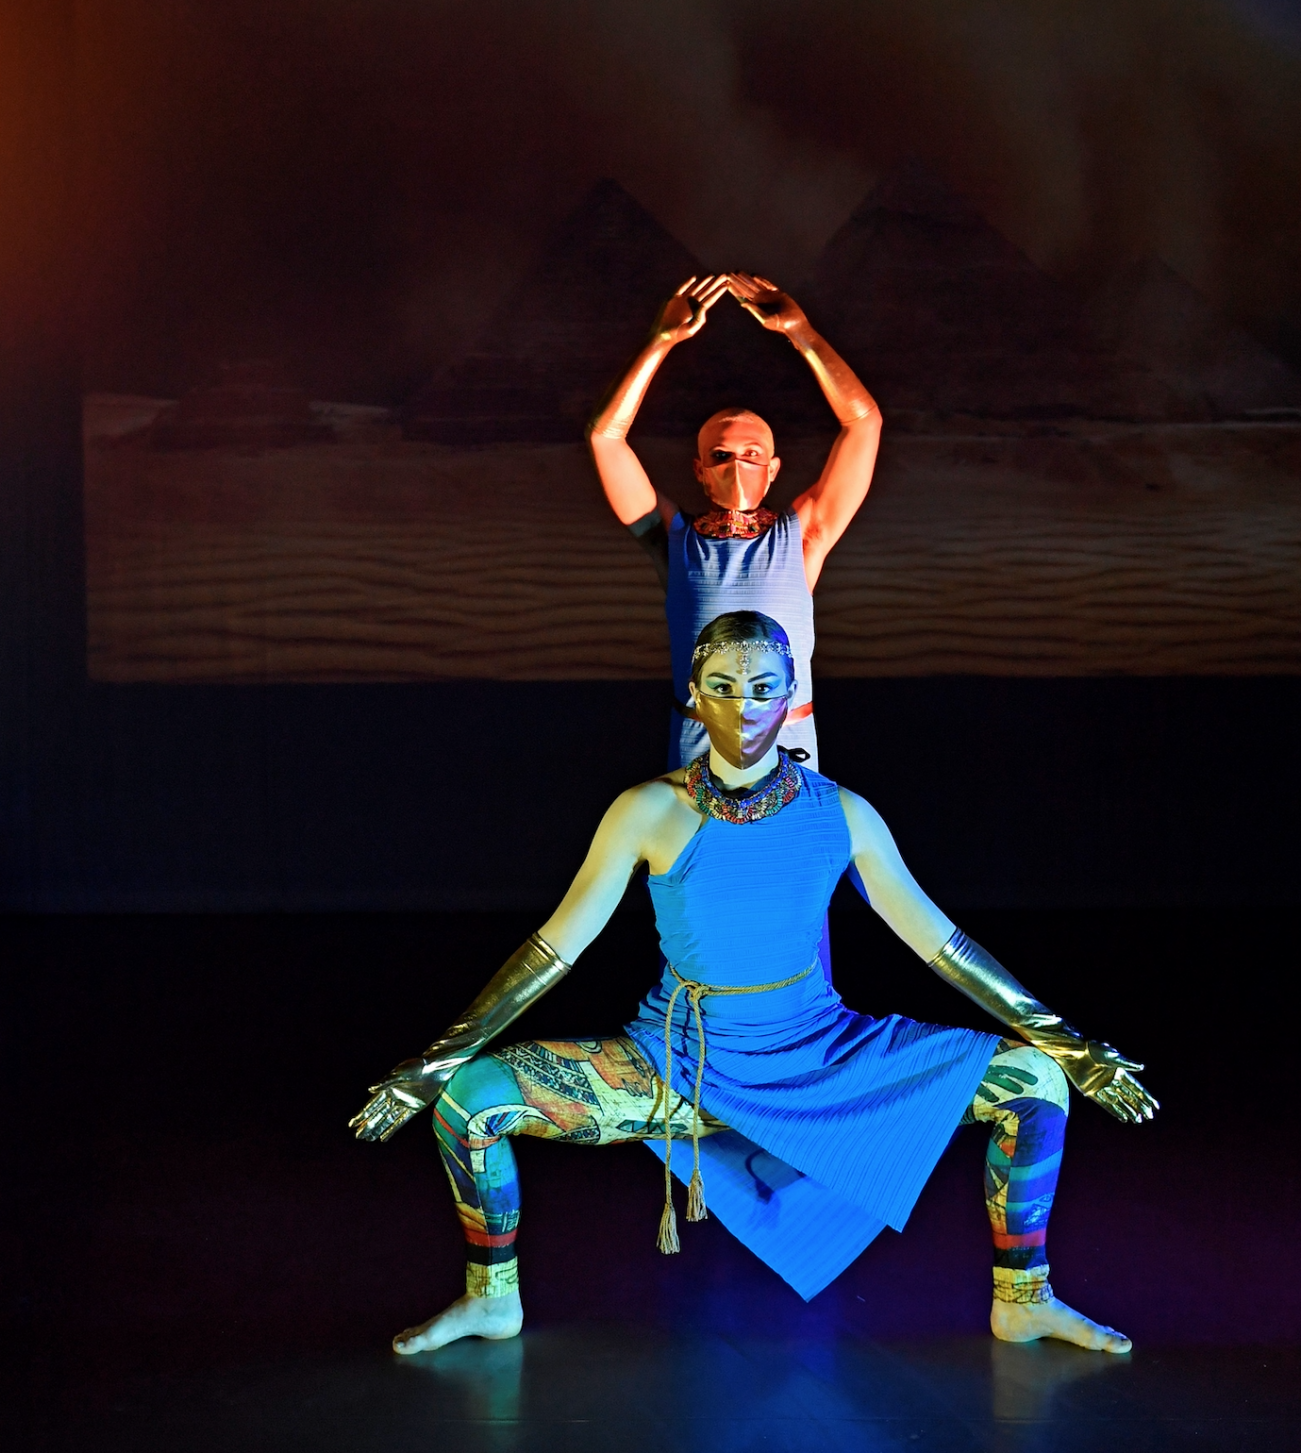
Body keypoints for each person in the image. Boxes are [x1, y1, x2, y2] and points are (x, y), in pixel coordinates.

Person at [350, 611, 1159, 1356]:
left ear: (789, 698)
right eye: (725, 689)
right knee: (472, 1100)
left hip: (820, 1053)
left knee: (1035, 1079)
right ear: (694, 699)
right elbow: (552, 950)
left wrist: (1071, 1042)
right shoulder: (646, 810)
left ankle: (1023, 1297)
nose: (745, 709)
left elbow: (941, 945)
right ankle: (492, 1298)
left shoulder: (840, 813)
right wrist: (432, 1064)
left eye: (764, 689)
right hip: (681, 1062)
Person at [586, 274, 881, 770]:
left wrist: (802, 334)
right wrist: (659, 343)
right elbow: (606, 438)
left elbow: (863, 423)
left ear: (773, 468)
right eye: (720, 455)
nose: (736, 465)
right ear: (700, 471)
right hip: (699, 753)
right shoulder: (672, 539)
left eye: (751, 453)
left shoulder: (803, 535)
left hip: (788, 749)